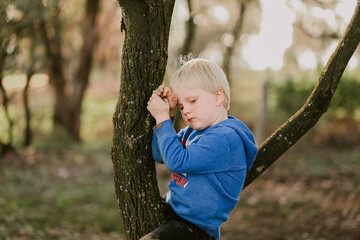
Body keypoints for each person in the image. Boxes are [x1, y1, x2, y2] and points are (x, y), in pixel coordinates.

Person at [144, 58, 258, 240]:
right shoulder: (193, 132)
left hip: (196, 229)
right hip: (175, 212)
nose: (186, 111)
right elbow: (160, 154)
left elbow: (176, 161)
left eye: (192, 101)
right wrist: (169, 116)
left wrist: (162, 118)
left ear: (217, 96)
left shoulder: (225, 138)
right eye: (181, 107)